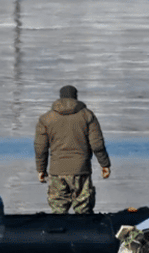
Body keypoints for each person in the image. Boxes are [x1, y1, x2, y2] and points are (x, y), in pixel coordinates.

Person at [35, 84, 111, 214]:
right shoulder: (87, 115)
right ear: (76, 98)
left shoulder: (46, 118)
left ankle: (59, 233)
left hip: (57, 170)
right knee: (83, 211)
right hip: (81, 170)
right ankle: (85, 232)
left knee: (58, 211)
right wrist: (104, 164)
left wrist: (41, 169)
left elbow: (40, 148)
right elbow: (97, 144)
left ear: (60, 98)